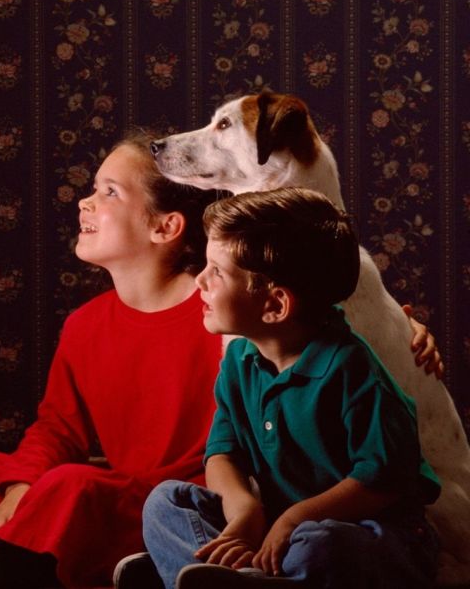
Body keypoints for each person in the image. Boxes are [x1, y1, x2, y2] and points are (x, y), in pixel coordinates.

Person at [0, 131, 443, 589]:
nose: (84, 202)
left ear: (166, 226)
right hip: (172, 495)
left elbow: (315, 319)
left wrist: (403, 330)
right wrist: (19, 486)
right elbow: (57, 427)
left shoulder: (225, 315)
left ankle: (49, 551)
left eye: (109, 192)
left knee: (72, 487)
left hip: (231, 491)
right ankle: (45, 538)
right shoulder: (93, 324)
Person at [125, 188, 439, 589]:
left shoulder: (352, 371)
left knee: (319, 546)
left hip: (371, 534)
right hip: (273, 527)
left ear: (275, 304)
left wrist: (295, 519)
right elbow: (223, 453)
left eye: (217, 271)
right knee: (165, 502)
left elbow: (383, 481)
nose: (200, 279)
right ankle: (231, 574)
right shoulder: (240, 361)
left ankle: (195, 573)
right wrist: (245, 512)